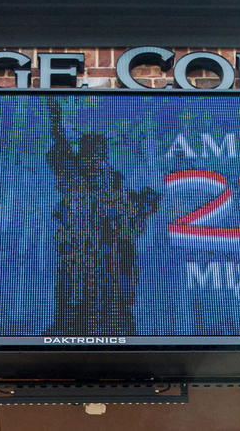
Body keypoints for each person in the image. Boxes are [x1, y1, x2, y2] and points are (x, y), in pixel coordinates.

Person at [46, 98, 159, 335]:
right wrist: (55, 115)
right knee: (75, 306)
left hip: (112, 266)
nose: (96, 161)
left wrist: (145, 205)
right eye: (91, 155)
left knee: (112, 307)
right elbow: (60, 148)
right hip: (81, 261)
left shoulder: (117, 188)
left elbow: (132, 225)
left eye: (100, 156)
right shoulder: (75, 180)